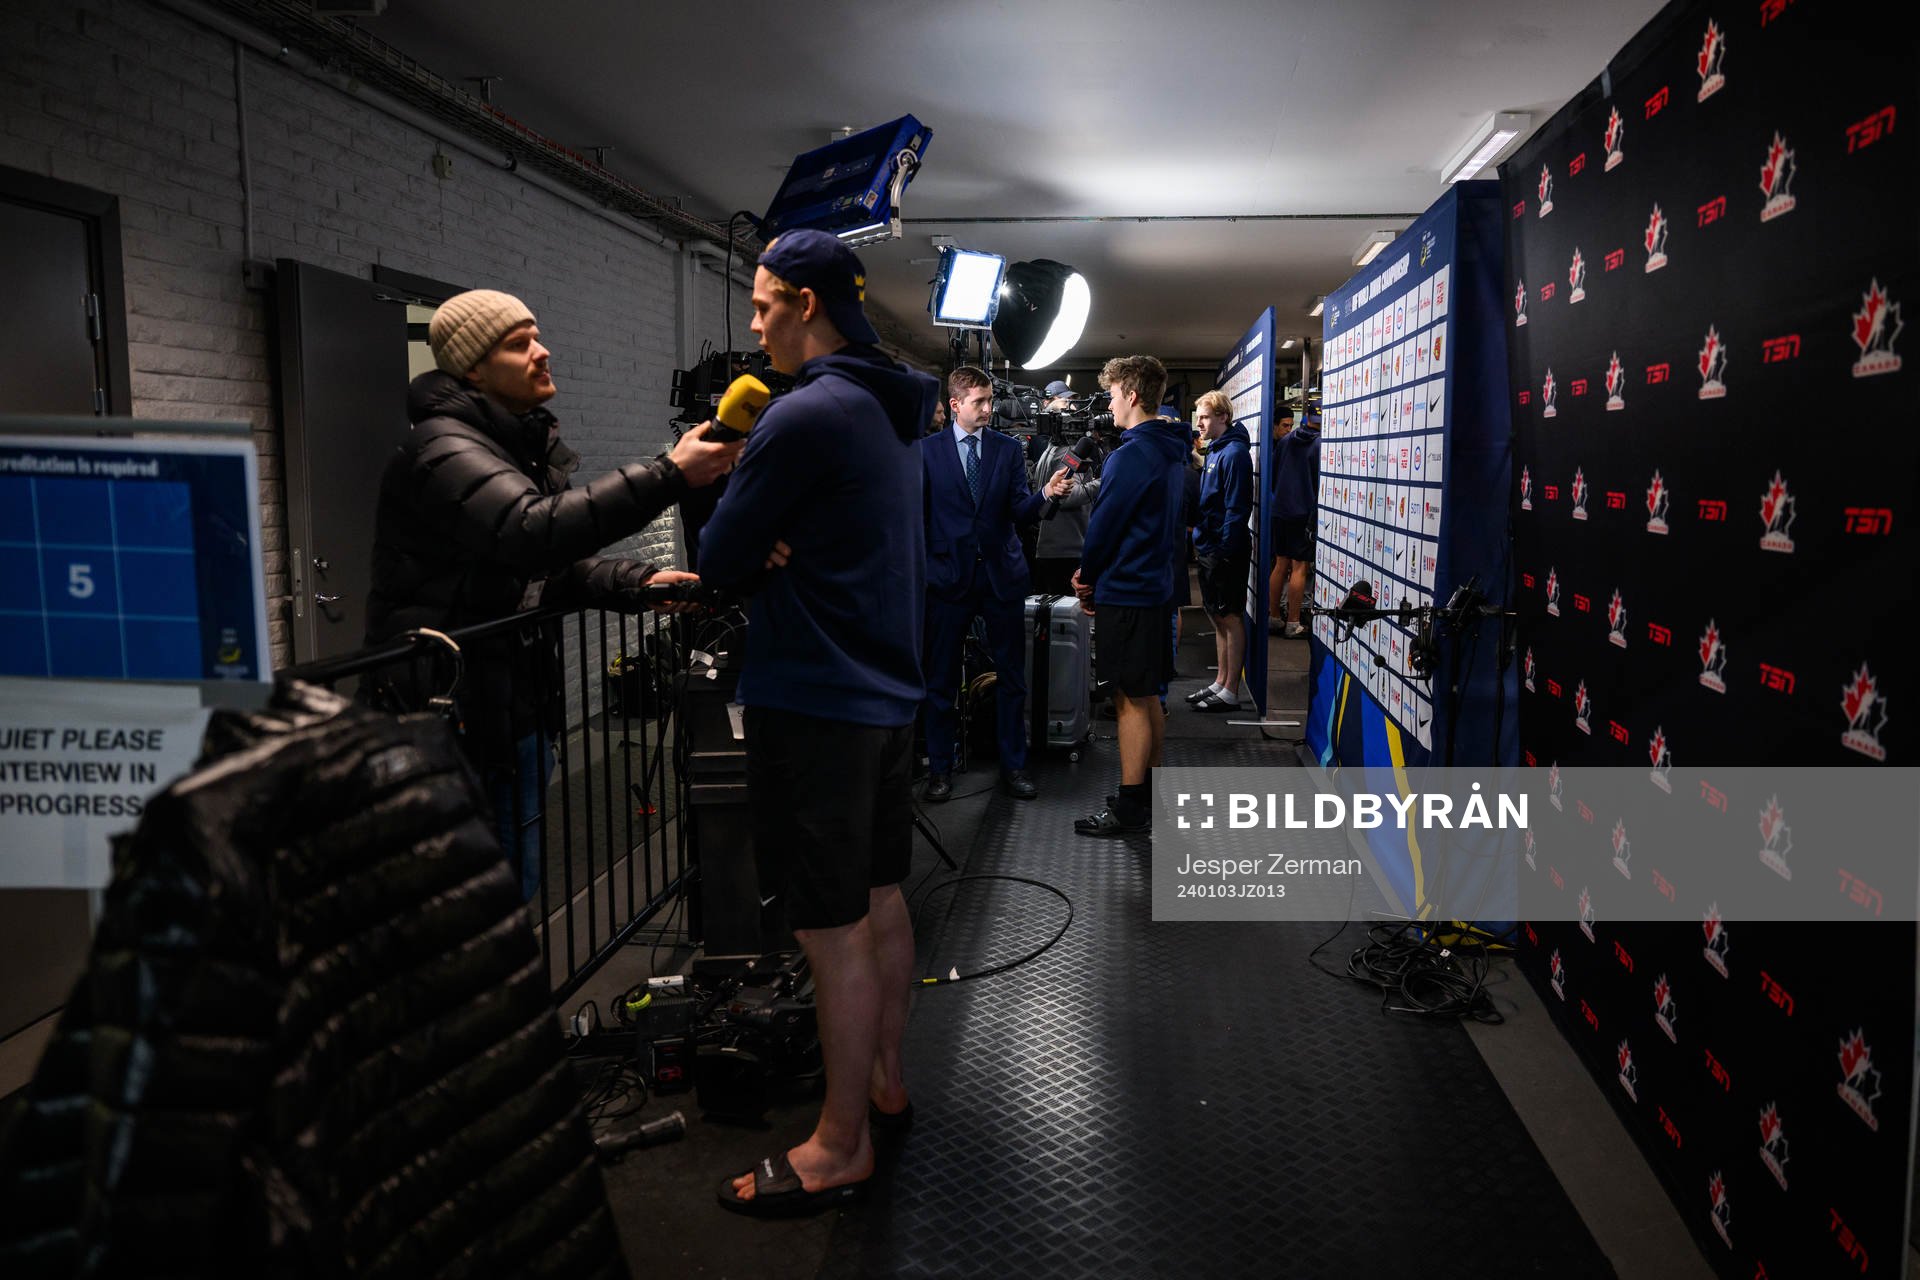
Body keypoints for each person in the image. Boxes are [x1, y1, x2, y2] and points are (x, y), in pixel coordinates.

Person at [695, 229, 940, 1216]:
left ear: (804, 302)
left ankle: (838, 1143)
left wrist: (746, 510)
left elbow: (717, 558)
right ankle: (882, 1078)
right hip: (883, 699)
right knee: (880, 901)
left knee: (829, 932)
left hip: (815, 703)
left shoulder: (804, 417)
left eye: (761, 304)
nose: (752, 325)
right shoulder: (888, 410)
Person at [364, 289, 739, 901]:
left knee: (516, 886)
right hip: (448, 722)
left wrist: (633, 584)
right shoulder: (441, 450)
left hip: (506, 708)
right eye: (519, 344)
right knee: (468, 906)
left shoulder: (510, 448)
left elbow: (538, 571)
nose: (542, 353)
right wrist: (669, 474)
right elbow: (528, 534)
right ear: (473, 367)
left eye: (536, 337)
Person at [922, 366, 1071, 801]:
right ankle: (940, 769)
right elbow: (916, 519)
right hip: (948, 581)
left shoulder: (1006, 450)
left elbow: (1018, 512)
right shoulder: (926, 453)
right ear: (955, 405)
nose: (989, 409)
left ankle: (1014, 766)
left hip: (1000, 579)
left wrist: (1044, 496)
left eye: (990, 401)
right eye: (979, 403)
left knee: (1011, 678)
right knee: (941, 681)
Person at [1070, 355, 1188, 836]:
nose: (1112, 405)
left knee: (1129, 701)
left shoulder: (1132, 454)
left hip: (1129, 590)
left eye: (1115, 395)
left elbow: (1105, 526)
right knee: (1149, 694)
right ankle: (1147, 796)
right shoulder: (1172, 447)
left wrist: (1086, 575)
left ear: (1132, 396)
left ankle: (1131, 805)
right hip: (1156, 588)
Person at [1188, 390, 1253, 710]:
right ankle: (1221, 682)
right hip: (1210, 546)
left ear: (1222, 417)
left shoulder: (1235, 453)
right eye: (1198, 416)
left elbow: (1236, 508)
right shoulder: (1215, 451)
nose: (1199, 423)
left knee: (1230, 616)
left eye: (1204, 417)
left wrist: (1226, 549)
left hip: (1226, 550)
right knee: (1216, 616)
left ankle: (1231, 689)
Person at [1030, 426, 1101, 596]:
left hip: (1051, 548)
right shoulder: (1069, 454)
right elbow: (1067, 495)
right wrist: (1104, 482)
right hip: (1067, 548)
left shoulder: (1050, 451)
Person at [1270, 407, 1322, 639]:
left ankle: (1273, 617)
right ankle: (1293, 622)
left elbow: (1273, 473)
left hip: (1280, 510)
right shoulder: (1321, 444)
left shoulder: (1286, 441)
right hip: (1303, 513)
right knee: (1299, 568)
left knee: (1280, 564)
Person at [1265, 405, 1296, 631]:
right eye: (1285, 425)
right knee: (1280, 564)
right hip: (1274, 514)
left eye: (1291, 426)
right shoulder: (1270, 449)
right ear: (1274, 425)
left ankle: (1273, 611)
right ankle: (1273, 612)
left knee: (1279, 563)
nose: (1288, 430)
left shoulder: (1287, 447)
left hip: (1279, 512)